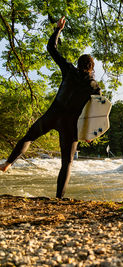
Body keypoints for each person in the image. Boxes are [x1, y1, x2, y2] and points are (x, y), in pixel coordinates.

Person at [0, 16, 101, 198]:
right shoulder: (94, 86)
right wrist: (90, 135)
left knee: (29, 137)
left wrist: (58, 29)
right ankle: (59, 198)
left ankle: (8, 163)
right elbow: (97, 112)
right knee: (67, 162)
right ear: (92, 68)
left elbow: (51, 48)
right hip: (70, 125)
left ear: (78, 64)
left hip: (53, 115)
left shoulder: (69, 70)